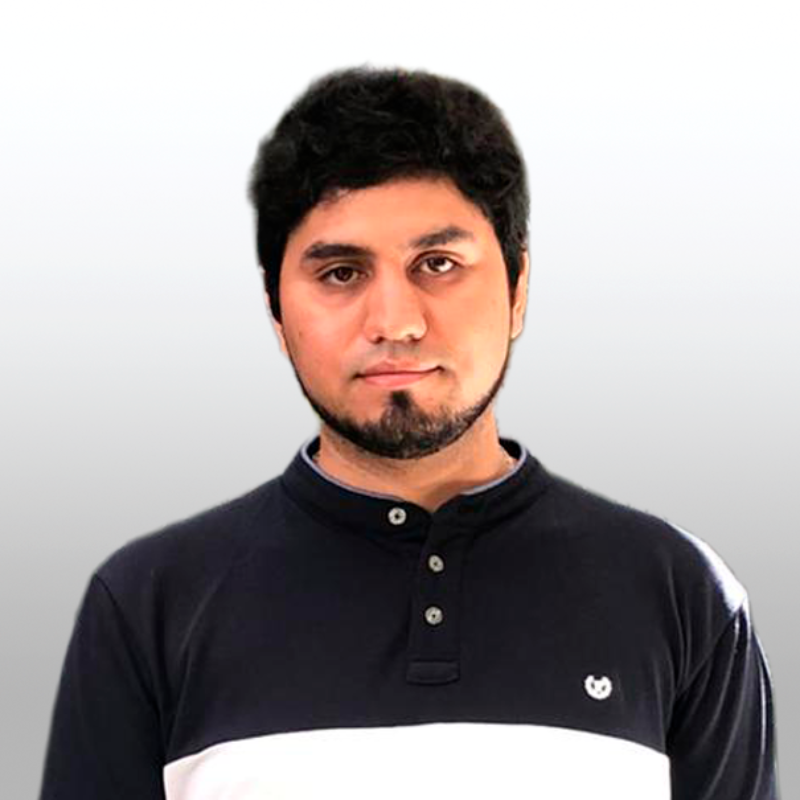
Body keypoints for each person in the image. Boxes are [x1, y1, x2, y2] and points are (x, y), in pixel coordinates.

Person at [38, 66, 780, 800]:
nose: (395, 322)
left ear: (518, 287)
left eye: (438, 263)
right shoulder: (148, 604)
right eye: (341, 273)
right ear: (275, 308)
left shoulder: (679, 593)